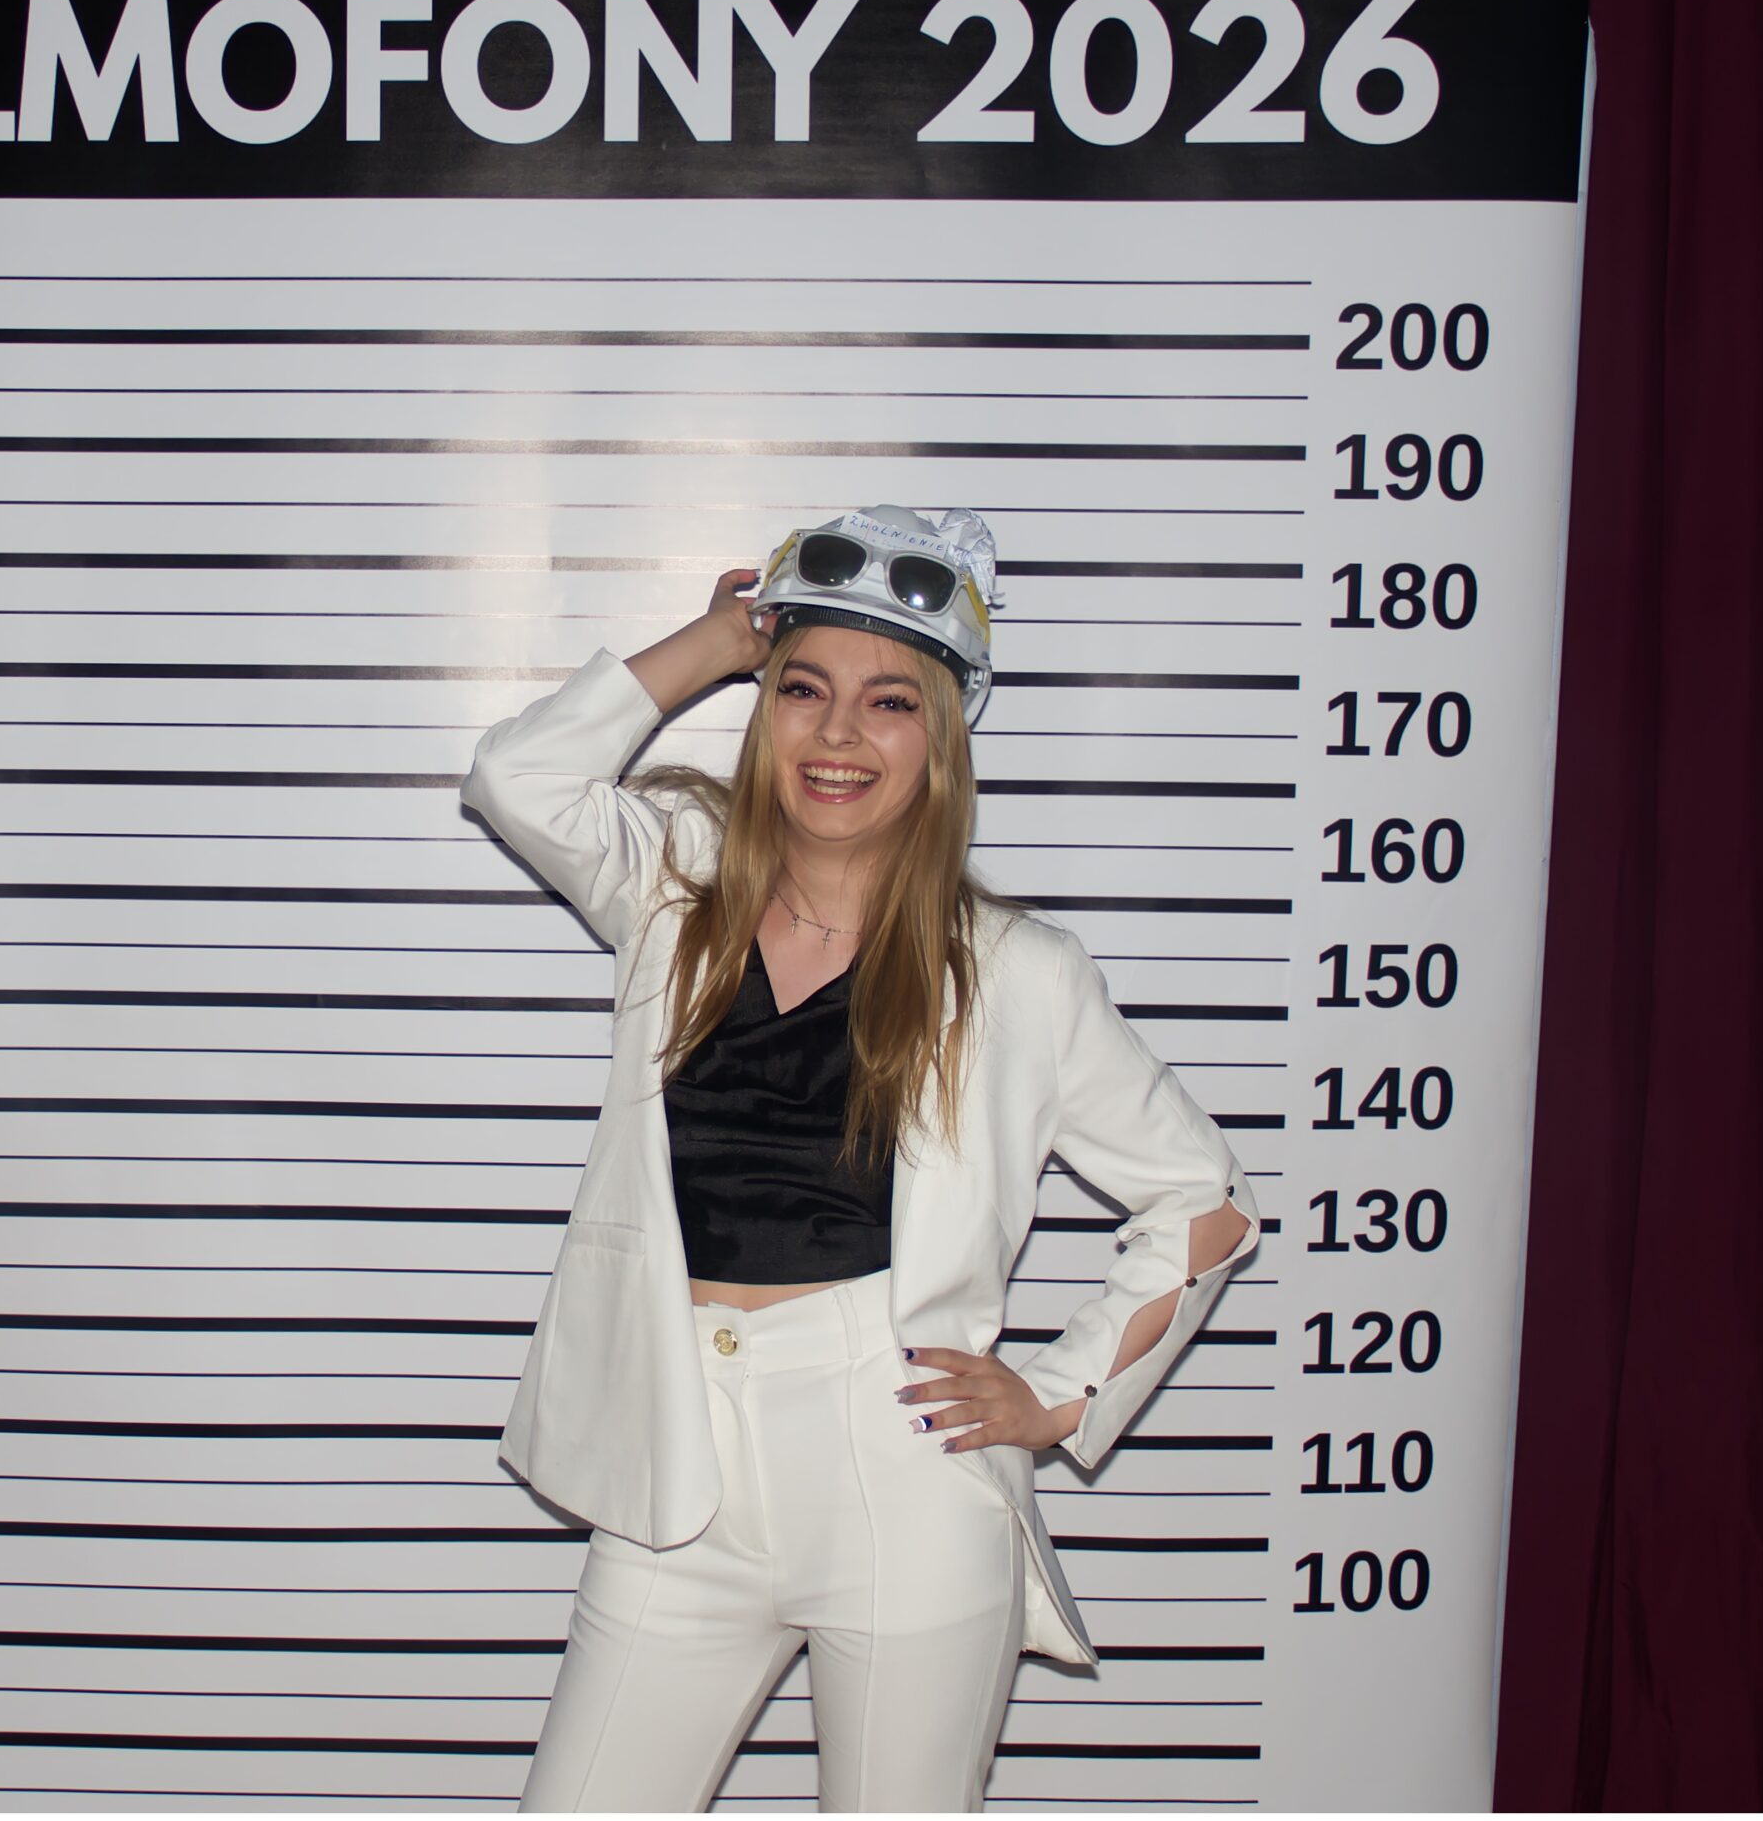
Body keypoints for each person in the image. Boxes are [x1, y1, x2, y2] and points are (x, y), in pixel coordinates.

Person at [459, 505, 1260, 1813]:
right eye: (804, 690)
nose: (837, 735)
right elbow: (516, 778)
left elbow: (1203, 1200)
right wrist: (720, 641)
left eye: (889, 703)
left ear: (942, 740)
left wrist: (1060, 1395)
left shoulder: (1019, 970)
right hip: (675, 1464)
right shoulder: (674, 884)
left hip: (901, 1481)